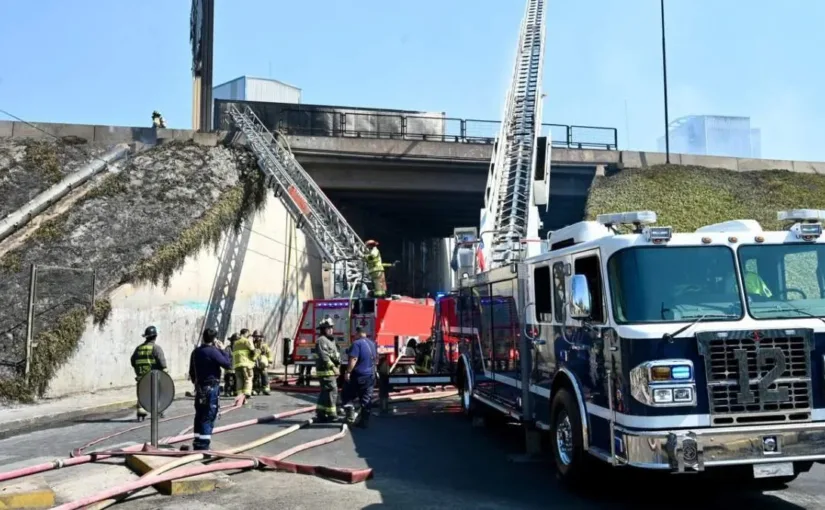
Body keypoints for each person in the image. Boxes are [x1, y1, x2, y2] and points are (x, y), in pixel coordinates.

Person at [188, 328, 232, 450]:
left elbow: (191, 371)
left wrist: (196, 384)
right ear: (214, 340)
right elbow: (227, 364)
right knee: (208, 415)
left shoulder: (195, 352)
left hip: (200, 388)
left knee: (199, 414)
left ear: (203, 337)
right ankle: (204, 446)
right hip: (211, 387)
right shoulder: (214, 352)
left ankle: (197, 442)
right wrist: (223, 350)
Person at [341, 327, 378, 428]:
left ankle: (350, 414)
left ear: (357, 334)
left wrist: (348, 372)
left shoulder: (357, 344)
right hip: (370, 376)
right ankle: (364, 421)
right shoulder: (372, 344)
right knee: (366, 399)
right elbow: (376, 360)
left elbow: (353, 358)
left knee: (346, 394)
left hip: (358, 376)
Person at [130, 325, 168, 422]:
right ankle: (158, 411)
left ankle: (141, 414)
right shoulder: (156, 348)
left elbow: (133, 361)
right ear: (155, 336)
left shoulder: (138, 349)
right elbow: (163, 364)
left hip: (140, 377)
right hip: (152, 377)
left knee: (141, 395)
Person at [314, 319, 340, 422]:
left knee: (325, 392)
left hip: (331, 371)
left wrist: (337, 366)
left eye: (331, 327)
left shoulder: (330, 340)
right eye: (328, 328)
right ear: (323, 329)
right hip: (326, 371)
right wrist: (333, 367)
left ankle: (321, 413)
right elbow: (324, 356)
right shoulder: (321, 340)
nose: (331, 330)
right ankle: (331, 414)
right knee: (332, 391)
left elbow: (335, 354)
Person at [232, 329, 256, 401]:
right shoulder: (246, 341)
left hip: (237, 364)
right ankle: (247, 394)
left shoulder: (235, 343)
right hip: (246, 364)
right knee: (248, 378)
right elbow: (253, 350)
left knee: (239, 379)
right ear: (246, 333)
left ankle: (239, 394)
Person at [252, 331, 272, 396]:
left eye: (258, 336)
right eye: (255, 336)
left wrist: (269, 360)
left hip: (262, 363)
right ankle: (256, 389)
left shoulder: (264, 345)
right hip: (255, 362)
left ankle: (265, 388)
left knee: (264, 375)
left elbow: (269, 353)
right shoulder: (252, 344)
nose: (256, 338)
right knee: (255, 376)